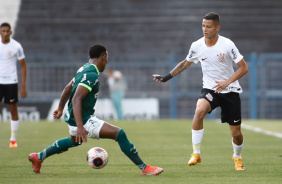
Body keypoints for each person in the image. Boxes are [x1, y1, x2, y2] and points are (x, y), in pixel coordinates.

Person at [28, 44, 163, 175]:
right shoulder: (91, 74)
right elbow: (76, 99)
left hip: (73, 116)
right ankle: (145, 168)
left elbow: (68, 88)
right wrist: (81, 126)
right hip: (83, 118)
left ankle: (39, 157)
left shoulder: (83, 68)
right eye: (107, 58)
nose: (107, 62)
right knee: (120, 134)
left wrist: (60, 107)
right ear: (103, 57)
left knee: (74, 141)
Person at [153, 12, 248, 171]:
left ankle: (237, 157)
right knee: (199, 110)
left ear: (217, 27)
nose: (205, 29)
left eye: (208, 26)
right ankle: (196, 153)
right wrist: (166, 77)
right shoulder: (197, 46)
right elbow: (185, 63)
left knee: (236, 134)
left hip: (230, 90)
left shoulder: (227, 44)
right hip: (210, 89)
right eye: (203, 26)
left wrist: (226, 82)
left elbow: (244, 68)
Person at [0, 22, 27, 148]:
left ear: (10, 32)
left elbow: (23, 66)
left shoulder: (16, 46)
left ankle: (13, 138)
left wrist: (23, 86)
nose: (5, 33)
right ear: (0, 32)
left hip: (11, 82)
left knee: (13, 110)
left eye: (7, 31)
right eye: (3, 31)